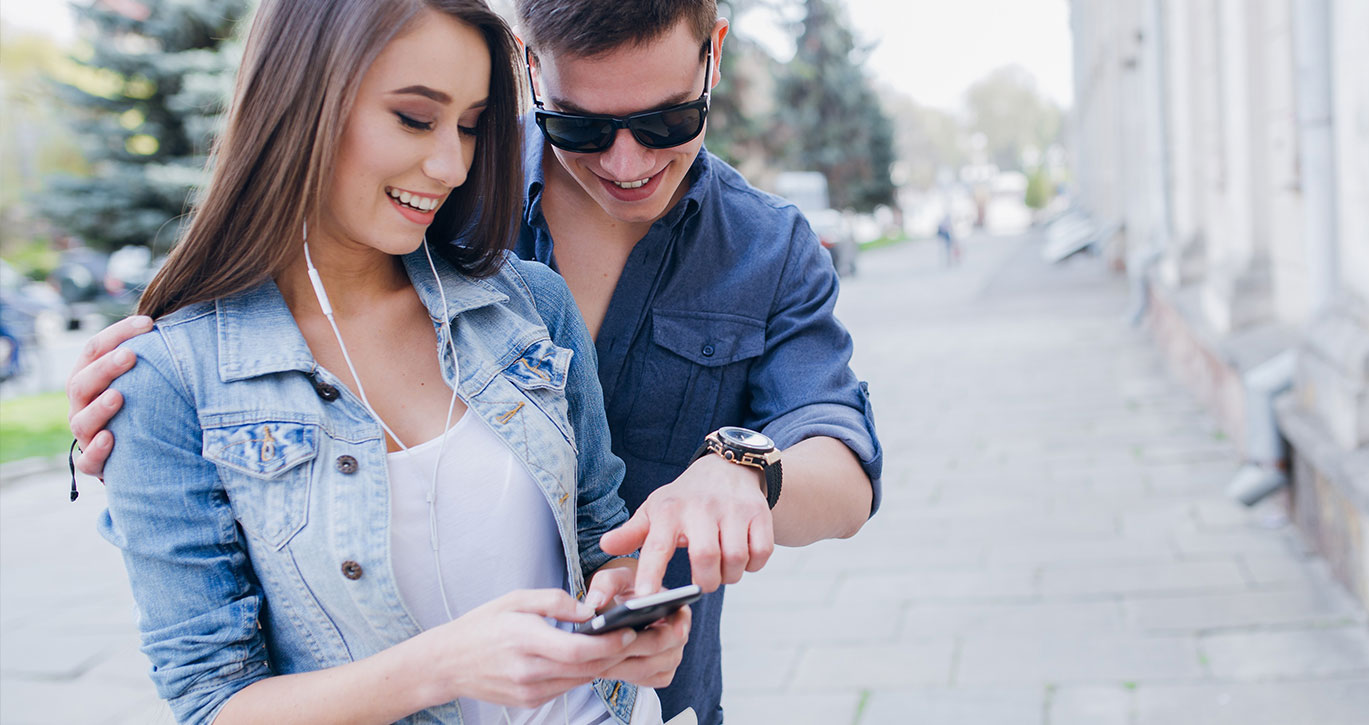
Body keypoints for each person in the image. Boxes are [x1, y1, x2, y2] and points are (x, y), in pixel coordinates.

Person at [67, 1, 885, 722]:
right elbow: (209, 680)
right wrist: (161, 417)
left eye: (667, 121)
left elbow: (838, 468)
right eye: (582, 126)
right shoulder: (441, 201)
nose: (627, 163)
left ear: (715, 54)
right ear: (533, 67)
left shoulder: (737, 254)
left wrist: (741, 474)